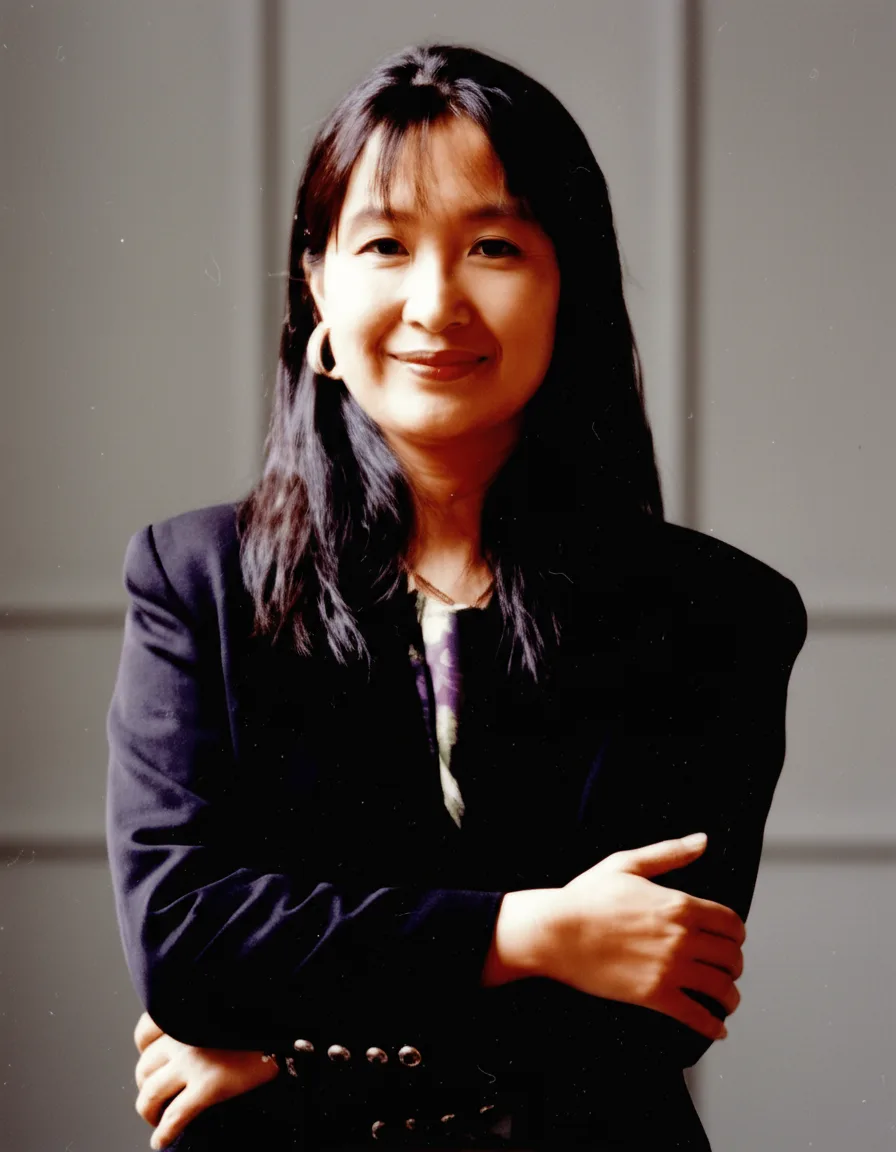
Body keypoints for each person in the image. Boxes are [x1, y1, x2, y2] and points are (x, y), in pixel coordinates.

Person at [106, 41, 808, 1152]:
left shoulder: (718, 612)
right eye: (385, 245)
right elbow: (186, 948)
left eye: (493, 247)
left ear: (569, 286)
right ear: (317, 281)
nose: (435, 303)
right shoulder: (195, 581)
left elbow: (646, 1013)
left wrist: (291, 1051)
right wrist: (532, 931)